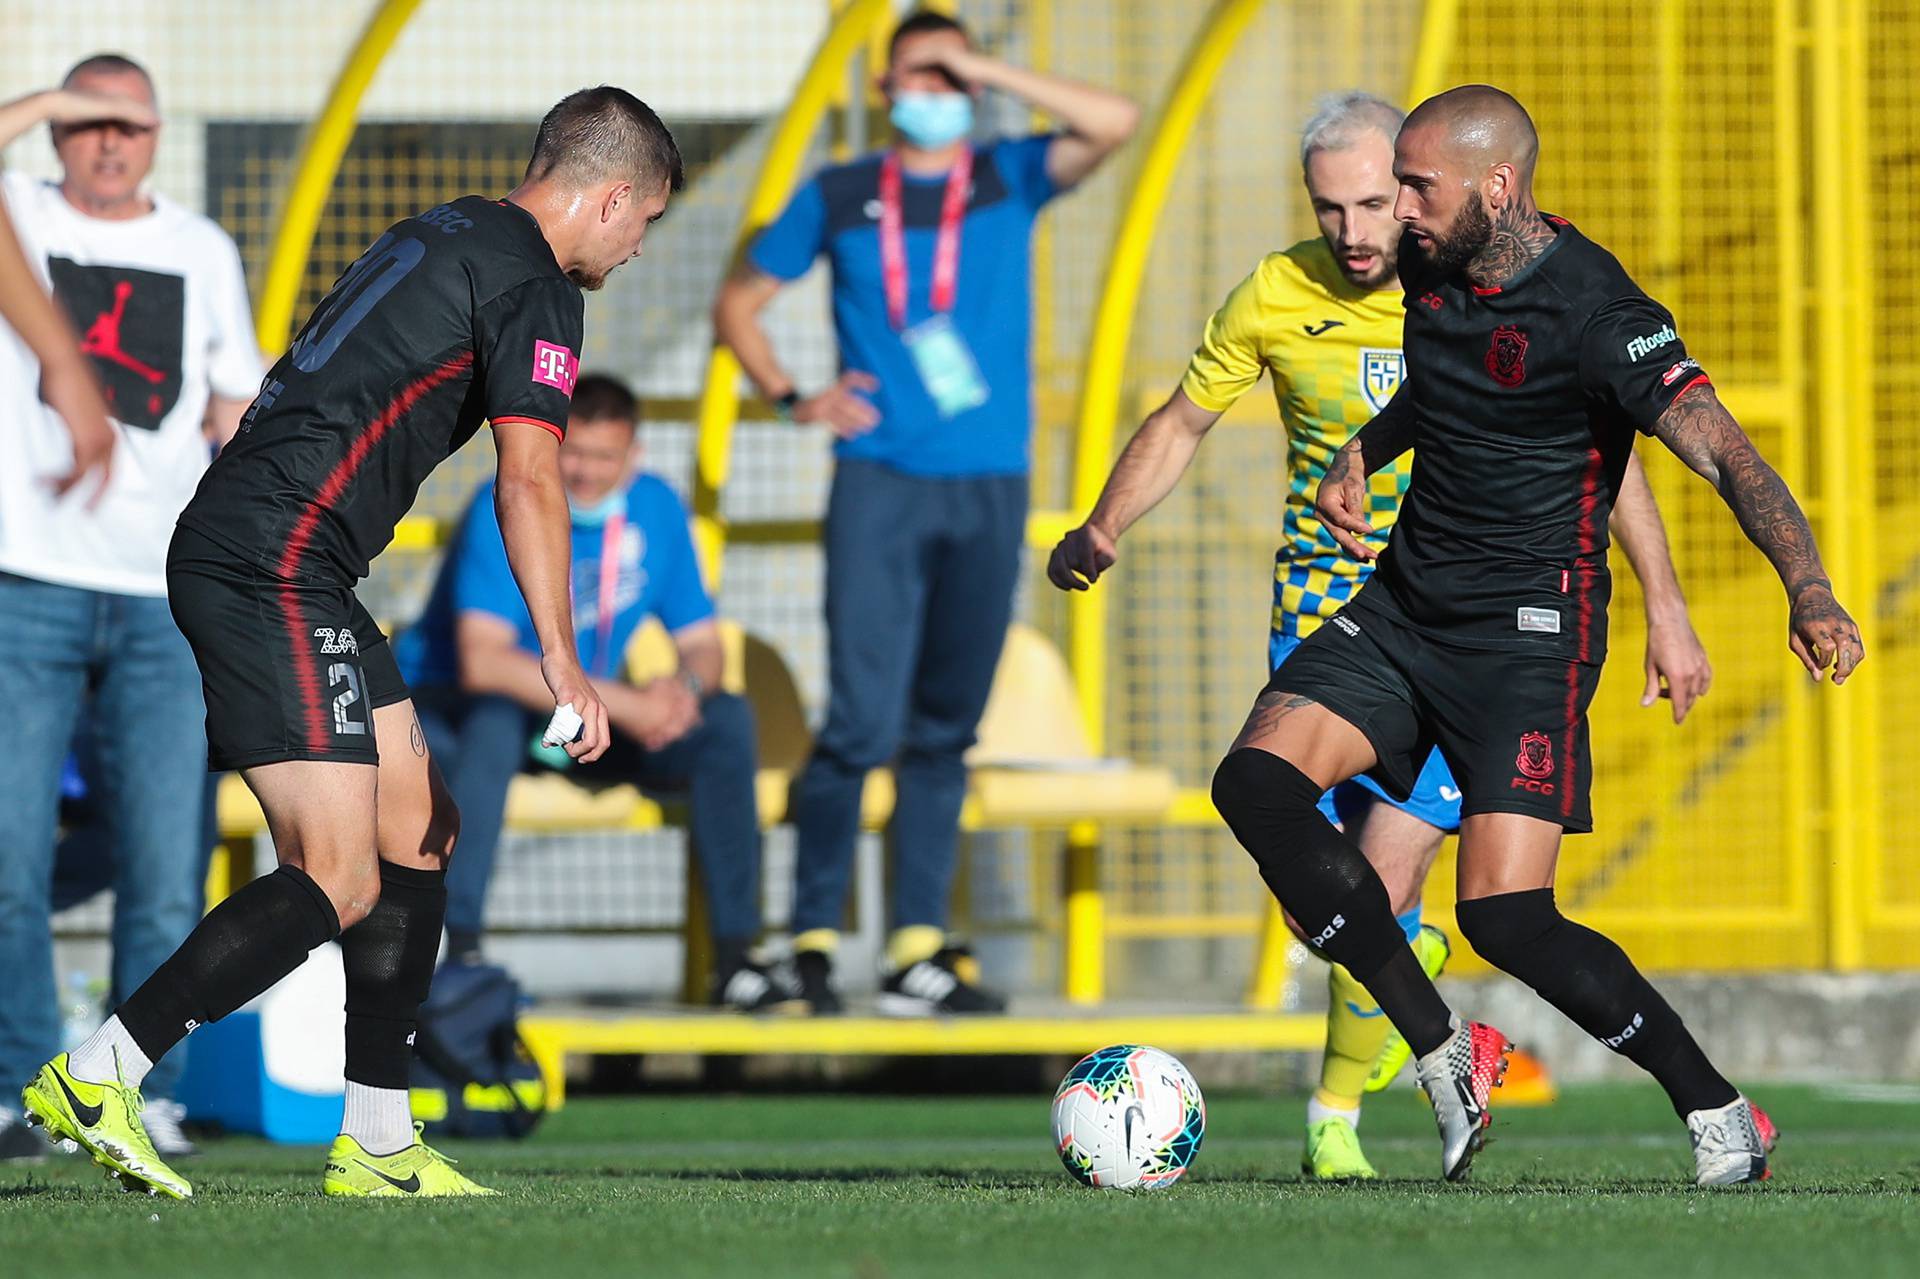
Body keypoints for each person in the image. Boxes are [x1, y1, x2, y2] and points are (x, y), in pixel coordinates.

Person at [18, 85, 681, 1200]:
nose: (638, 248)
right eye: (646, 223)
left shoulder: (452, 226)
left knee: (419, 831)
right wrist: (564, 657)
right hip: (271, 561)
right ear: (611, 195)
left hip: (289, 556)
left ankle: (377, 1137)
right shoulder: (537, 286)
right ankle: (103, 1071)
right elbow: (530, 475)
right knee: (334, 873)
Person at [1049, 90, 1715, 1181]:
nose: (1363, 230)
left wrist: (1668, 608)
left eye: (1383, 200)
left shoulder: (1479, 274)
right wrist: (1103, 524)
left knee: (1391, 880)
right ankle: (1439, 1038)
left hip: (1483, 633)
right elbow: (1180, 421)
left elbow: (1605, 459)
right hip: (1336, 620)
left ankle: (1340, 1112)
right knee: (1316, 884)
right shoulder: (1275, 293)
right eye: (1336, 208)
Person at [1211, 85, 1856, 1185]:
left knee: (1505, 914)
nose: (1400, 208)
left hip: (1529, 635)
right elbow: (1444, 384)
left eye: (1419, 185)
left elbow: (1726, 456)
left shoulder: (1601, 314)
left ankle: (1718, 1111)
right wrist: (1367, 447)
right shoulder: (1433, 264)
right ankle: (1439, 1047)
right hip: (1404, 605)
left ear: (1497, 189)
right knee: (1254, 787)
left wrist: (1810, 588)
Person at [713, 8, 1138, 1015]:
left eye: (948, 79)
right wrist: (794, 395)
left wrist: (983, 67)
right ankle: (812, 936)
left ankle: (916, 947)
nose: (934, 94)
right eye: (917, 75)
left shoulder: (1007, 173)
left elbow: (1114, 120)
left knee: (945, 730)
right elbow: (738, 304)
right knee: (859, 723)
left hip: (989, 480)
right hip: (880, 481)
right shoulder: (841, 191)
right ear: (881, 89)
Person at [0, 57, 262, 1163]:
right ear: (57, 133)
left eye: (130, 126)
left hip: (160, 592)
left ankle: (140, 1090)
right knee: (8, 859)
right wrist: (50, 101)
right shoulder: (19, 211)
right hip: (27, 577)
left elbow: (232, 399)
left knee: (166, 862)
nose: (109, 144)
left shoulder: (199, 247)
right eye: (87, 123)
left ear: (160, 138)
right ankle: (21, 1091)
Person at [397, 372, 794, 1012]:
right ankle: (461, 951)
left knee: (725, 721)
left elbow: (704, 644)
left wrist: (683, 691)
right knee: (491, 724)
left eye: (605, 456)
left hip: (585, 721)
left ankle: (736, 960)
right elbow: (484, 664)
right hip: (484, 715)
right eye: (574, 453)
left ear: (633, 455)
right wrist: (630, 705)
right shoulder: (508, 501)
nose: (585, 472)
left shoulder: (658, 508)